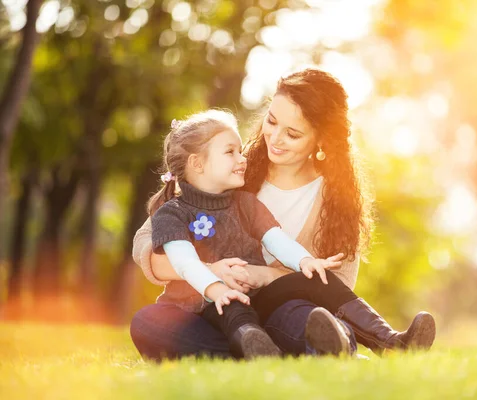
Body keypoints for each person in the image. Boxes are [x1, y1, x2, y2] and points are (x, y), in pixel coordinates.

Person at [130, 68, 435, 361]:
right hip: (215, 307)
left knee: (312, 319)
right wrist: (212, 270)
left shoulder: (337, 202)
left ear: (321, 140)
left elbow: (335, 283)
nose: (274, 139)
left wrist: (265, 275)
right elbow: (149, 239)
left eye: (292, 133)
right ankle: (267, 351)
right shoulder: (233, 168)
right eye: (272, 121)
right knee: (149, 322)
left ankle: (387, 343)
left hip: (282, 310)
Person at [148, 109, 346, 359]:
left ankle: (382, 338)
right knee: (149, 321)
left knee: (305, 288)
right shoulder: (171, 213)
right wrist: (216, 284)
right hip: (200, 309)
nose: (242, 159)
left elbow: (277, 240)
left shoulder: (245, 202)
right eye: (231, 152)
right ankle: (262, 349)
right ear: (197, 163)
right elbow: (184, 262)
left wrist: (305, 261)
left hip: (254, 303)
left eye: (240, 151)